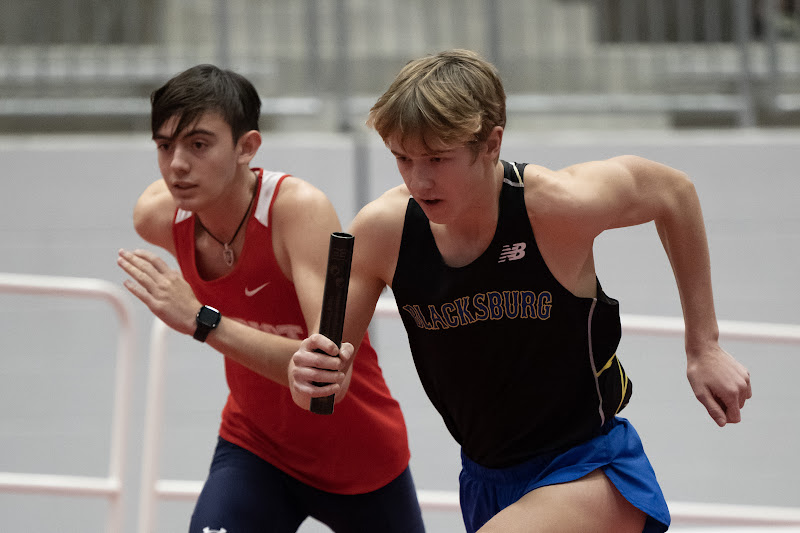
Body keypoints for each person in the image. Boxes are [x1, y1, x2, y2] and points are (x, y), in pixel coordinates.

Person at [288, 49, 752, 533]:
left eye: (437, 158)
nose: (418, 178)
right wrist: (312, 378)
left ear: (491, 143)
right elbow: (324, 384)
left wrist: (704, 344)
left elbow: (673, 192)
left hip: (590, 469)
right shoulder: (383, 231)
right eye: (402, 158)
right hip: (486, 480)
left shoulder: (557, 206)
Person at [117, 64, 425, 533]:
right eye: (164, 145)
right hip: (255, 445)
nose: (177, 164)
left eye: (198, 145)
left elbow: (325, 375)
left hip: (356, 454)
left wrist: (202, 320)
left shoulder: (296, 210)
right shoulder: (159, 217)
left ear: (248, 147)